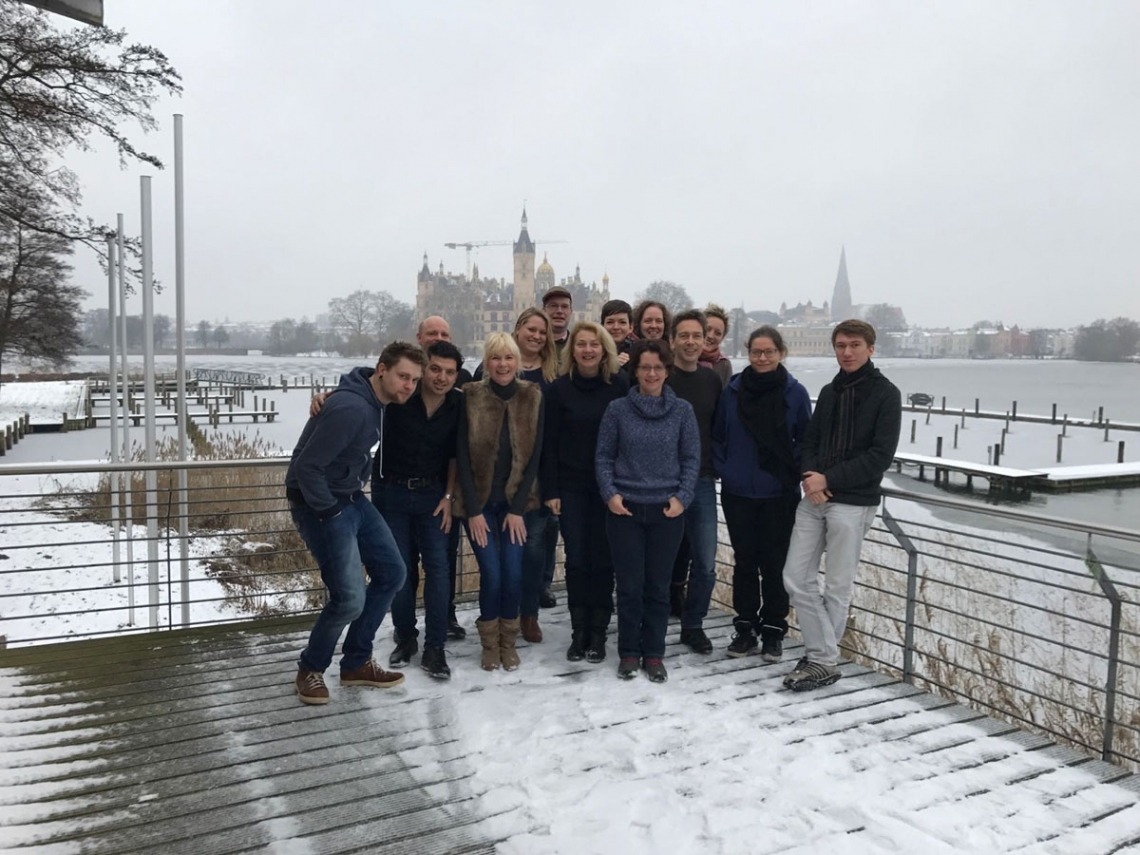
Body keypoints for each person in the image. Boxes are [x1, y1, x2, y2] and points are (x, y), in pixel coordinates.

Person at [286, 341, 425, 705]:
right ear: (382, 370)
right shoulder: (351, 408)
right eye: (403, 377)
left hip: (350, 498)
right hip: (323, 506)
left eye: (414, 380)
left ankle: (356, 662)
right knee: (349, 599)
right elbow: (306, 468)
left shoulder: (373, 401)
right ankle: (310, 668)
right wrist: (329, 512)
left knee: (393, 573)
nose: (409, 386)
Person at [782, 319, 902, 691]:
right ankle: (824, 654)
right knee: (795, 577)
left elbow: (879, 456)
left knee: (837, 585)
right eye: (840, 346)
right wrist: (810, 477)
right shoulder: (830, 391)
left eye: (854, 345)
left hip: (852, 502)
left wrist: (828, 479)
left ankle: (821, 659)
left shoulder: (886, 394)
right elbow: (811, 441)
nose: (846, 352)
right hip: (815, 497)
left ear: (870, 348)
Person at [596, 339, 699, 683]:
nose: (651, 373)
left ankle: (653, 653)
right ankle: (628, 651)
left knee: (658, 586)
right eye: (645, 367)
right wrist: (610, 494)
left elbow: (690, 459)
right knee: (628, 586)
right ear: (635, 371)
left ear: (667, 371)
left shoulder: (683, 411)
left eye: (658, 367)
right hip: (625, 510)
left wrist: (682, 497)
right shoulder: (617, 410)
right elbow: (604, 456)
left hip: (666, 512)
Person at [712, 326, 812, 662]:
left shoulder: (794, 393)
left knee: (774, 564)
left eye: (769, 352)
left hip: (778, 493)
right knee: (744, 562)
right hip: (739, 491)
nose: (763, 358)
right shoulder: (734, 391)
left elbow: (806, 441)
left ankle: (773, 632)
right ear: (748, 354)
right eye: (756, 352)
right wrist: (728, 469)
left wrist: (789, 471)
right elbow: (718, 435)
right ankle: (744, 629)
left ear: (781, 353)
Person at [374, 341, 464, 680]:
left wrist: (449, 496)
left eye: (449, 372)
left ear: (457, 375)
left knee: (439, 569)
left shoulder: (458, 403)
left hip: (433, 496)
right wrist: (325, 397)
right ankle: (406, 636)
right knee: (401, 570)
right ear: (424, 369)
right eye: (435, 369)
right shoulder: (400, 396)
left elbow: (456, 454)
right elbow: (364, 383)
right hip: (392, 494)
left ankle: (435, 647)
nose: (441, 377)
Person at [454, 332, 545, 672]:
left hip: (514, 508)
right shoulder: (471, 396)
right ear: (487, 362)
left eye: (508, 358)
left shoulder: (532, 396)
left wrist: (519, 508)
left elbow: (534, 456)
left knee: (512, 575)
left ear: (517, 362)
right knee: (491, 574)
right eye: (496, 358)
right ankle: (489, 644)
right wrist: (473, 511)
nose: (503, 364)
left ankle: (509, 642)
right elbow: (461, 455)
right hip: (479, 506)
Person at [541, 321, 629, 662]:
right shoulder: (558, 390)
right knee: (577, 560)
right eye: (581, 344)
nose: (588, 350)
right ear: (572, 350)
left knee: (604, 560)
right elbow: (548, 445)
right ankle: (579, 631)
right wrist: (551, 490)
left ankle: (599, 630)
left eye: (594, 344)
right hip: (572, 487)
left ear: (603, 348)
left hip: (610, 489)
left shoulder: (619, 386)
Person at [475, 308, 560, 641]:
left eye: (543, 331)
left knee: (535, 551)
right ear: (518, 329)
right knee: (503, 562)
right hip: (499, 485)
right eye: (531, 329)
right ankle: (498, 619)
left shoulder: (553, 375)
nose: (537, 336)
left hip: (538, 478)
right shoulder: (492, 369)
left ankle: (528, 614)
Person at [665, 310, 723, 655]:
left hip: (700, 480)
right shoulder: (659, 377)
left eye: (696, 336)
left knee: (705, 562)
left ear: (705, 341)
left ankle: (693, 625)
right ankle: (651, 621)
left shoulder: (711, 380)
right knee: (658, 561)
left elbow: (717, 429)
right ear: (672, 340)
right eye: (683, 336)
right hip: (660, 482)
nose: (690, 342)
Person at [700, 303, 733, 388]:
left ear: (722, 338)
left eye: (717, 333)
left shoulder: (724, 365)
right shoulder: (681, 356)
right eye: (708, 329)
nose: (711, 336)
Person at [600, 298, 635, 366]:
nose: (616, 327)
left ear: (631, 327)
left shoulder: (638, 352)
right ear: (602, 326)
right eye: (610, 322)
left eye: (622, 322)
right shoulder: (592, 351)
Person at [542, 285, 574, 357]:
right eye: (553, 305)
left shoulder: (577, 347)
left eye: (564, 306)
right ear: (543, 311)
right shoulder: (530, 345)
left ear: (571, 312)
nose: (559, 311)